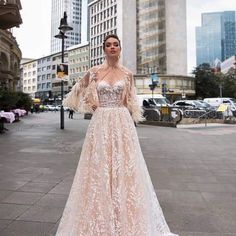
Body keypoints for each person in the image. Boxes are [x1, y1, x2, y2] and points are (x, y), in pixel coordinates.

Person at [56, 34, 178, 236]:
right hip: (101, 121)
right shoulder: (94, 72)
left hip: (122, 123)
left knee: (125, 166)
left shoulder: (128, 74)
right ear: (104, 49)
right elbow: (76, 91)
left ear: (120, 48)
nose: (112, 47)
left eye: (115, 45)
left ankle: (125, 215)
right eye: (108, 45)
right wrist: (90, 103)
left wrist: (128, 112)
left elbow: (131, 101)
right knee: (99, 167)